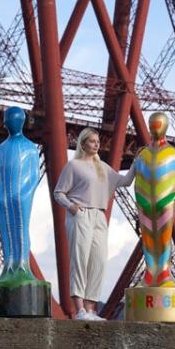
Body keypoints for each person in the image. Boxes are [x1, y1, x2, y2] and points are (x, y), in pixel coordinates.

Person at [54, 127, 134, 320]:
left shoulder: (103, 168)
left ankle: (91, 310)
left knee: (98, 261)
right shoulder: (73, 166)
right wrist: (71, 207)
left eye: (97, 141)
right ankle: (79, 309)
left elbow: (125, 181)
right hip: (80, 214)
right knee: (80, 260)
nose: (96, 144)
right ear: (83, 144)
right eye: (92, 141)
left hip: (99, 216)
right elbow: (58, 192)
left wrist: (137, 164)